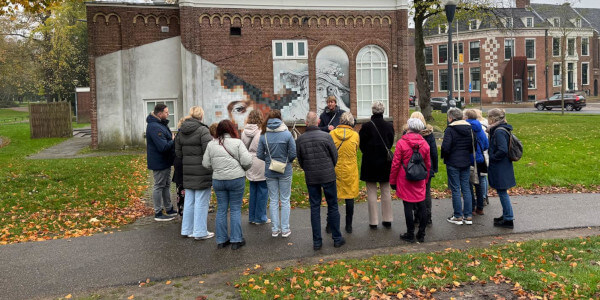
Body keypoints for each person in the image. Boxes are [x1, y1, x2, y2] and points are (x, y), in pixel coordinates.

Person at [296, 111, 345, 250]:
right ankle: (337, 238)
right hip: (328, 175)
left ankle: (317, 241)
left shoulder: (300, 139)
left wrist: (308, 169)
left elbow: (300, 160)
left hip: (312, 176)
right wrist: (329, 167)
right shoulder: (326, 136)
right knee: (333, 205)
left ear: (306, 123)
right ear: (318, 122)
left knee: (315, 207)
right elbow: (334, 156)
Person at [202, 120, 252, 249]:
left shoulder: (211, 144)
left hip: (218, 180)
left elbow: (206, 164)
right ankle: (236, 240)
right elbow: (247, 161)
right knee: (235, 209)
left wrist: (217, 168)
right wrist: (242, 168)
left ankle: (221, 240)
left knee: (222, 209)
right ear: (231, 129)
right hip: (236, 179)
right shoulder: (237, 143)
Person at [175, 106, 214, 240]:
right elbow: (209, 151)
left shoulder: (181, 131)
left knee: (189, 201)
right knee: (201, 202)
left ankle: (187, 229)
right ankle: (200, 231)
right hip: (202, 170)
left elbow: (178, 153)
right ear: (201, 116)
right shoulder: (203, 130)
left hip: (188, 170)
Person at [390, 118, 431, 243]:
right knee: (422, 205)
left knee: (407, 206)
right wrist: (426, 179)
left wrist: (392, 181)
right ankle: (422, 233)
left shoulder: (402, 143)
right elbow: (428, 165)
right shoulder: (425, 144)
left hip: (405, 177)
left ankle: (410, 233)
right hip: (419, 178)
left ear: (409, 128)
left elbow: (396, 163)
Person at [256, 110, 297, 237]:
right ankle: (285, 229)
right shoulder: (287, 134)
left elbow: (259, 154)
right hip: (285, 170)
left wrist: (269, 161)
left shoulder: (264, 135)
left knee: (273, 200)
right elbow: (293, 153)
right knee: (285, 200)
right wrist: (287, 161)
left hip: (270, 170)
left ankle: (275, 229)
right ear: (280, 119)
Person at [359, 101, 394, 229]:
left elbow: (361, 144)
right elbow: (390, 143)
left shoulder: (366, 126)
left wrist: (368, 152)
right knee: (386, 191)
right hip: (385, 161)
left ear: (373, 111)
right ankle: (388, 219)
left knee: (371, 192)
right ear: (383, 111)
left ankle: (373, 221)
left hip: (370, 161)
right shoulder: (389, 126)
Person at [441, 108, 474, 225]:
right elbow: (471, 146)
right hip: (465, 160)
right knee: (466, 188)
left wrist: (444, 156)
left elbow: (445, 147)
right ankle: (468, 215)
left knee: (455, 189)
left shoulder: (450, 129)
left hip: (453, 161)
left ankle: (458, 215)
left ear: (451, 117)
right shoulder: (469, 128)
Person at [329, 112, 360, 233]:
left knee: (333, 198)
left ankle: (330, 225)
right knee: (349, 198)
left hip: (335, 168)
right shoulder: (355, 135)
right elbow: (356, 150)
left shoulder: (332, 134)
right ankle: (349, 225)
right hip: (350, 169)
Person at [146, 103, 177, 222]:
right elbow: (163, 147)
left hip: (165, 161)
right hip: (159, 161)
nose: (168, 114)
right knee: (159, 185)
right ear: (159, 114)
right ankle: (158, 212)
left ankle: (169, 209)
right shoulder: (154, 127)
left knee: (166, 185)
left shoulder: (160, 124)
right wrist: (173, 141)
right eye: (166, 112)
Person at [486, 108, 516, 229]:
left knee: (502, 192)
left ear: (493, 118)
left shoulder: (498, 132)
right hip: (503, 165)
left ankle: (508, 218)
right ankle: (506, 215)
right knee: (502, 192)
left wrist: (492, 157)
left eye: (488, 117)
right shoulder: (502, 129)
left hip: (500, 166)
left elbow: (502, 149)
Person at [407, 112, 438, 225]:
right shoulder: (429, 134)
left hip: (412, 167)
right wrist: (434, 168)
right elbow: (434, 152)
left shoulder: (407, 135)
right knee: (426, 193)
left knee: (413, 192)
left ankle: (417, 215)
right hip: (426, 167)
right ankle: (427, 216)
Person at [241, 110, 270, 225]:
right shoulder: (262, 131)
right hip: (260, 161)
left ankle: (252, 217)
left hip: (249, 161)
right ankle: (260, 217)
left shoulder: (244, 132)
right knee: (263, 190)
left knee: (253, 190)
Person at [464, 109, 489, 216]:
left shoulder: (465, 128)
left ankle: (471, 208)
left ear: (466, 117)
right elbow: (486, 145)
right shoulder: (480, 129)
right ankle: (480, 208)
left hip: (467, 160)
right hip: (478, 159)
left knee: (468, 185)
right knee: (478, 184)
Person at [474, 109, 490, 206]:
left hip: (480, 154)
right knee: (484, 176)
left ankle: (482, 197)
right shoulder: (486, 124)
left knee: (481, 177)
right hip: (486, 153)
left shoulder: (478, 127)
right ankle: (485, 196)